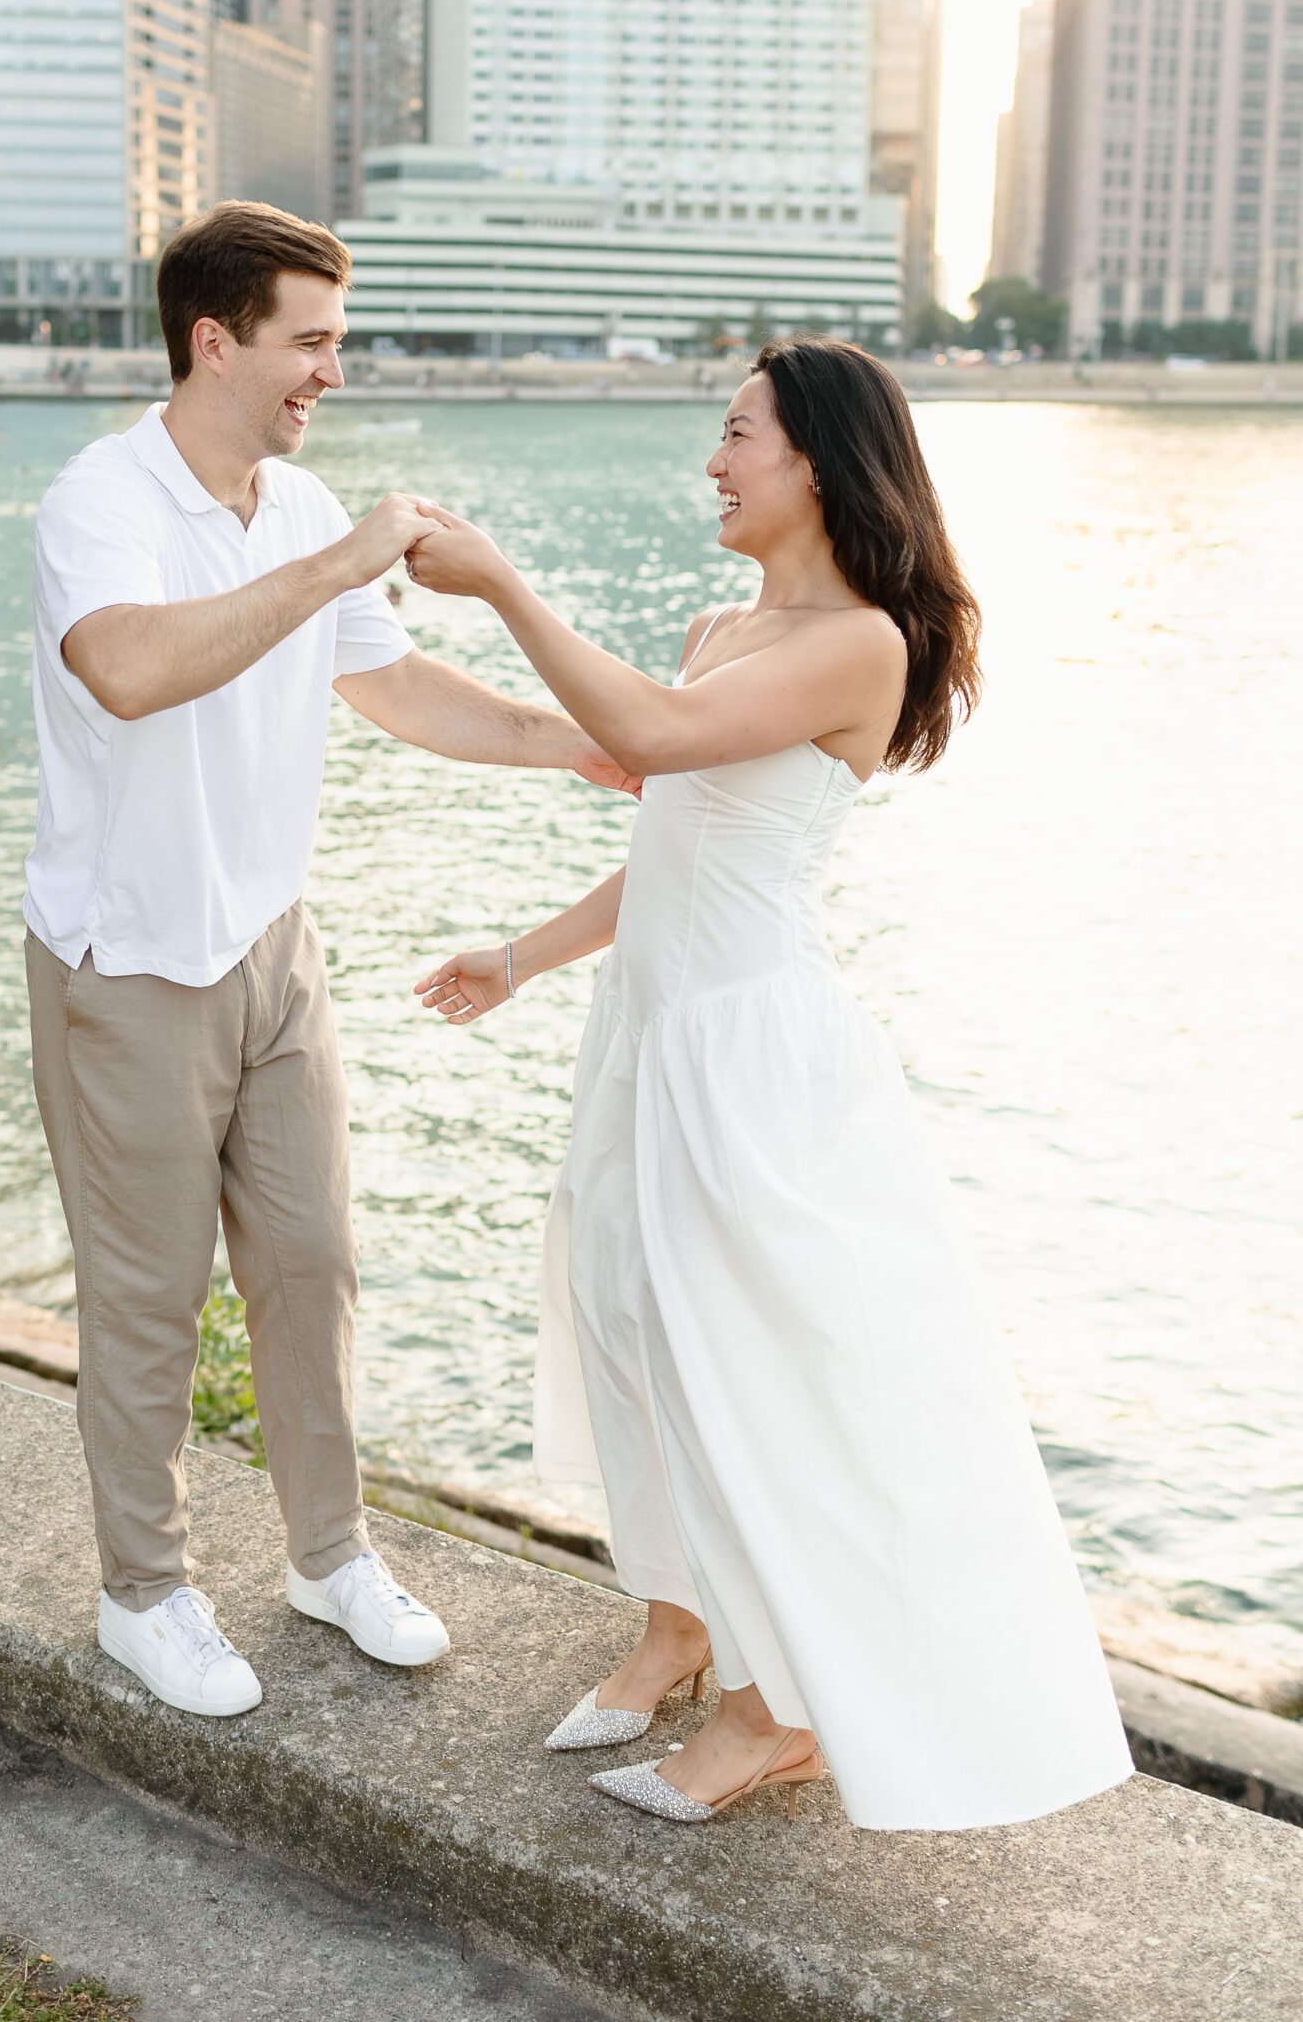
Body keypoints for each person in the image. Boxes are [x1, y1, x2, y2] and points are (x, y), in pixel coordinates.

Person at [407, 337, 1134, 1833]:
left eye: (735, 432)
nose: (712, 459)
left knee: (734, 1356)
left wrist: (499, 584)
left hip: (750, 1055)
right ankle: (678, 1621)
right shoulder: (711, 624)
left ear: (816, 460)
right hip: (645, 1027)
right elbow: (673, 847)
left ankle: (769, 1715)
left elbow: (651, 742)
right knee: (618, 1316)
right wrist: (525, 957)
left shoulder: (860, 643)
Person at [23, 200, 632, 1721]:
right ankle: (143, 1595)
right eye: (310, 344)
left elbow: (402, 687)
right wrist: (342, 556)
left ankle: (327, 1556)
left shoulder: (297, 511)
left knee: (310, 1266)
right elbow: (132, 667)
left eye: (336, 346)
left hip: (270, 948)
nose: (328, 379)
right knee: (150, 1297)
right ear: (213, 340)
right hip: (130, 958)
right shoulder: (100, 500)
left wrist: (583, 749)